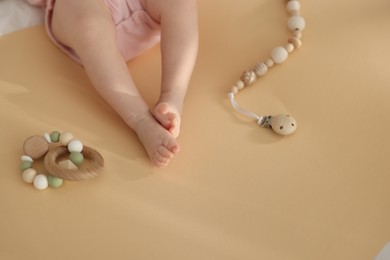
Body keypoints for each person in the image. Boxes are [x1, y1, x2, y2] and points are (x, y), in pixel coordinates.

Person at [26, 0, 199, 167]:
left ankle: (173, 93)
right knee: (88, 24)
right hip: (82, 10)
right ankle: (141, 119)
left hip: (141, 8)